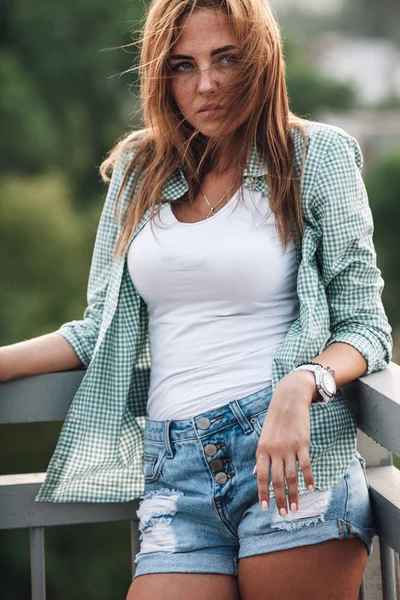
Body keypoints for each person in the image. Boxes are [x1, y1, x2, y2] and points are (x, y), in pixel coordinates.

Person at [0, 0, 392, 599]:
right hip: (175, 471)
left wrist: (303, 383)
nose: (205, 83)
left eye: (225, 58)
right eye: (182, 65)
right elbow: (98, 328)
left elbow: (367, 325)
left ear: (260, 56)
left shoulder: (315, 157)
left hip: (289, 457)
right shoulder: (140, 168)